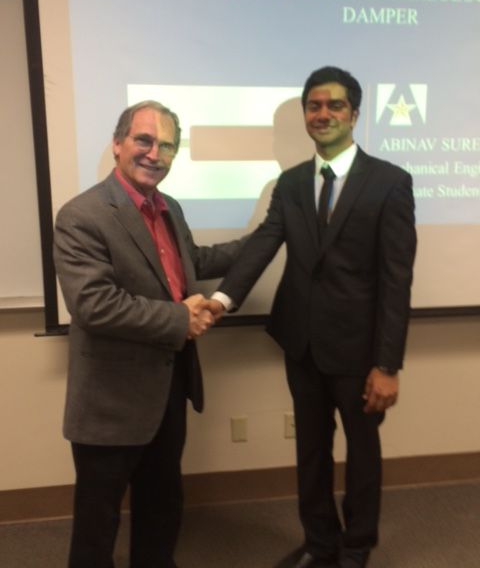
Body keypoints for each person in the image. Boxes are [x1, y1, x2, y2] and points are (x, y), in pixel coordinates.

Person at [211, 67, 417, 568]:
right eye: (314, 106)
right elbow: (264, 244)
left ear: (355, 114)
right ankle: (319, 542)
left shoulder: (390, 182)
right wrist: (220, 300)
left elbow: (396, 280)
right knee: (310, 450)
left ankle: (357, 546)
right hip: (301, 344)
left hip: (360, 352)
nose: (323, 114)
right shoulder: (291, 183)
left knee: (362, 453)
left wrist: (388, 364)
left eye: (335, 105)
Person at [53, 100, 242, 568]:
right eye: (145, 140)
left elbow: (190, 263)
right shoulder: (82, 215)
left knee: (161, 508)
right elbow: (94, 305)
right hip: (110, 400)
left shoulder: (169, 207)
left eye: (168, 146)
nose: (156, 154)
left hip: (168, 387)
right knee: (97, 526)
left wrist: (264, 240)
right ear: (117, 144)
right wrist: (180, 319)